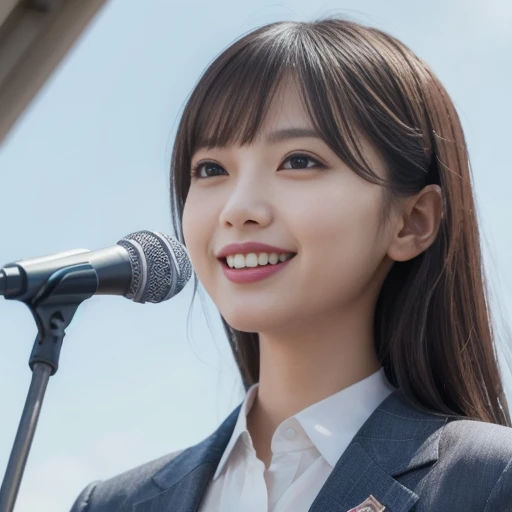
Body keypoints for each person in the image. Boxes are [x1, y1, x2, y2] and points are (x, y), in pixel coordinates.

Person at [70, 17, 512, 512]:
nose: (238, 208)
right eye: (211, 169)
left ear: (411, 221)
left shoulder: (488, 481)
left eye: (299, 161)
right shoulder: (111, 504)